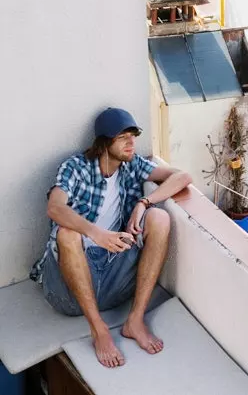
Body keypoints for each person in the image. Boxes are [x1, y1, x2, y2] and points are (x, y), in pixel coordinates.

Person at [31, 108, 193, 369]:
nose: (131, 143)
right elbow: (55, 208)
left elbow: (183, 177)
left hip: (113, 280)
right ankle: (99, 330)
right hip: (69, 292)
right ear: (104, 141)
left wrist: (144, 202)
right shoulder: (76, 167)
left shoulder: (133, 165)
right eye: (123, 137)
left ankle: (135, 321)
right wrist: (97, 234)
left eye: (134, 136)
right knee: (68, 233)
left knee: (159, 218)